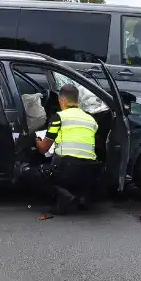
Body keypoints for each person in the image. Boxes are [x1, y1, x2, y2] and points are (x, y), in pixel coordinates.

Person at [33, 83, 101, 214]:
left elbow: (43, 149)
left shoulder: (59, 117)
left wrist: (37, 141)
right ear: (77, 100)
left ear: (62, 100)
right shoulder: (91, 120)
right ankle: (83, 197)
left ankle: (64, 195)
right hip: (90, 171)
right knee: (79, 168)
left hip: (67, 169)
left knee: (30, 172)